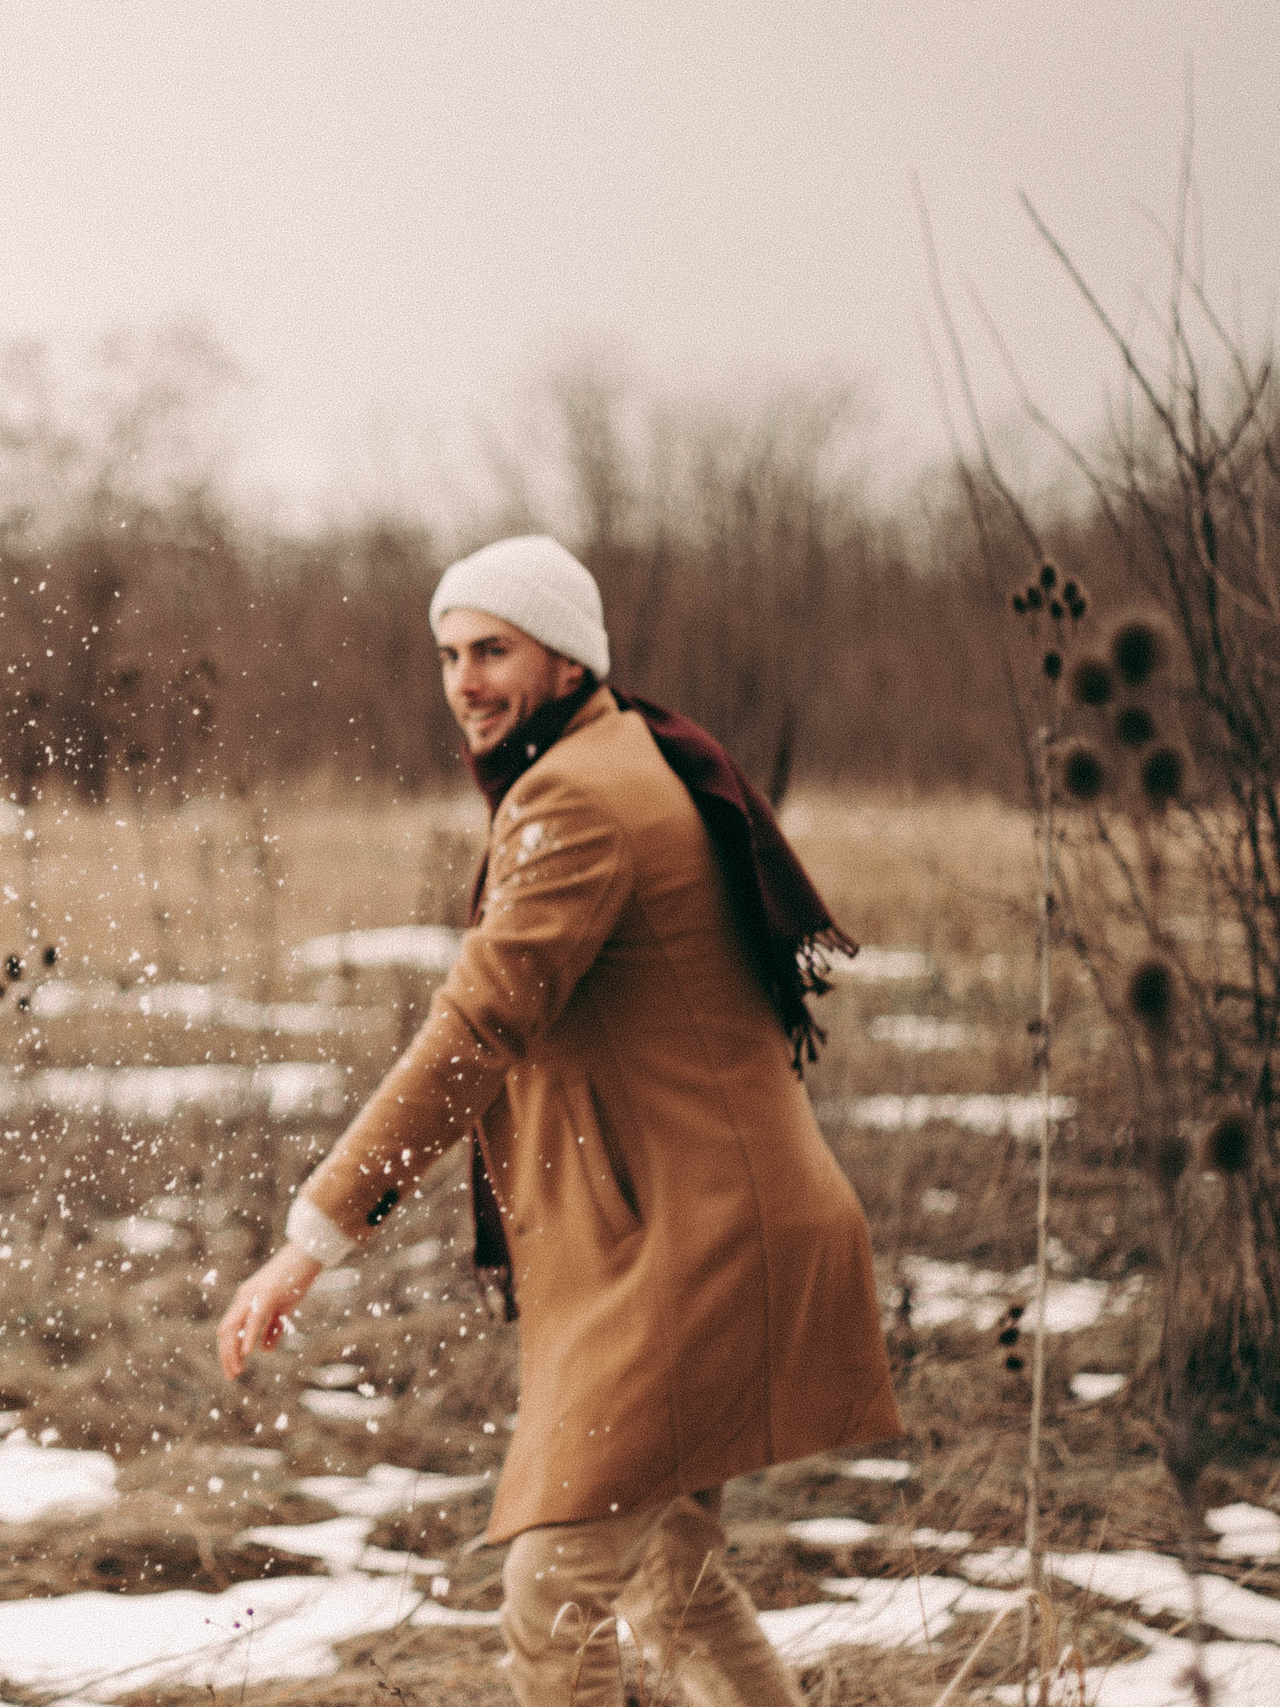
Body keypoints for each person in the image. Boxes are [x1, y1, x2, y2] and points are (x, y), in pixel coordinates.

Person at [217, 536, 901, 1707]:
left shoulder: (576, 798)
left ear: (567, 658)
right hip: (703, 1230)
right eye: (447, 654)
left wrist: (311, 1236)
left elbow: (477, 1027)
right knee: (670, 1583)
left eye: (494, 649)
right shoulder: (627, 757)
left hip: (698, 1249)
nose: (465, 681)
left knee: (553, 1597)